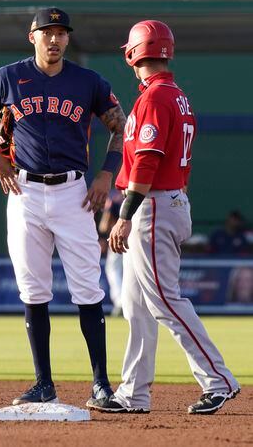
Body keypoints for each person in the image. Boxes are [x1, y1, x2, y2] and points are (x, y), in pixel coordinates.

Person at [0, 7, 126, 407]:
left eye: (60, 32)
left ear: (68, 39)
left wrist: (107, 175)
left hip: (74, 192)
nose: (54, 39)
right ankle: (44, 382)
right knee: (33, 289)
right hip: (23, 192)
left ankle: (101, 385)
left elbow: (120, 128)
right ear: (33, 37)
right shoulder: (7, 77)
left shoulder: (88, 81)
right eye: (47, 32)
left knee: (87, 289)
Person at [87, 20, 240, 415]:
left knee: (164, 301)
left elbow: (148, 162)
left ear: (134, 52)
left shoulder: (154, 98)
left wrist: (124, 216)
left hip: (152, 205)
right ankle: (134, 393)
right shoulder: (176, 95)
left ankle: (218, 380)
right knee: (138, 306)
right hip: (166, 201)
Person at [99, 189, 123, 316]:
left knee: (113, 269)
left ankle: (120, 303)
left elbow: (104, 224)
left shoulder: (113, 198)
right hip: (138, 237)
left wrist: (102, 237)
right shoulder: (140, 191)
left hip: (120, 238)